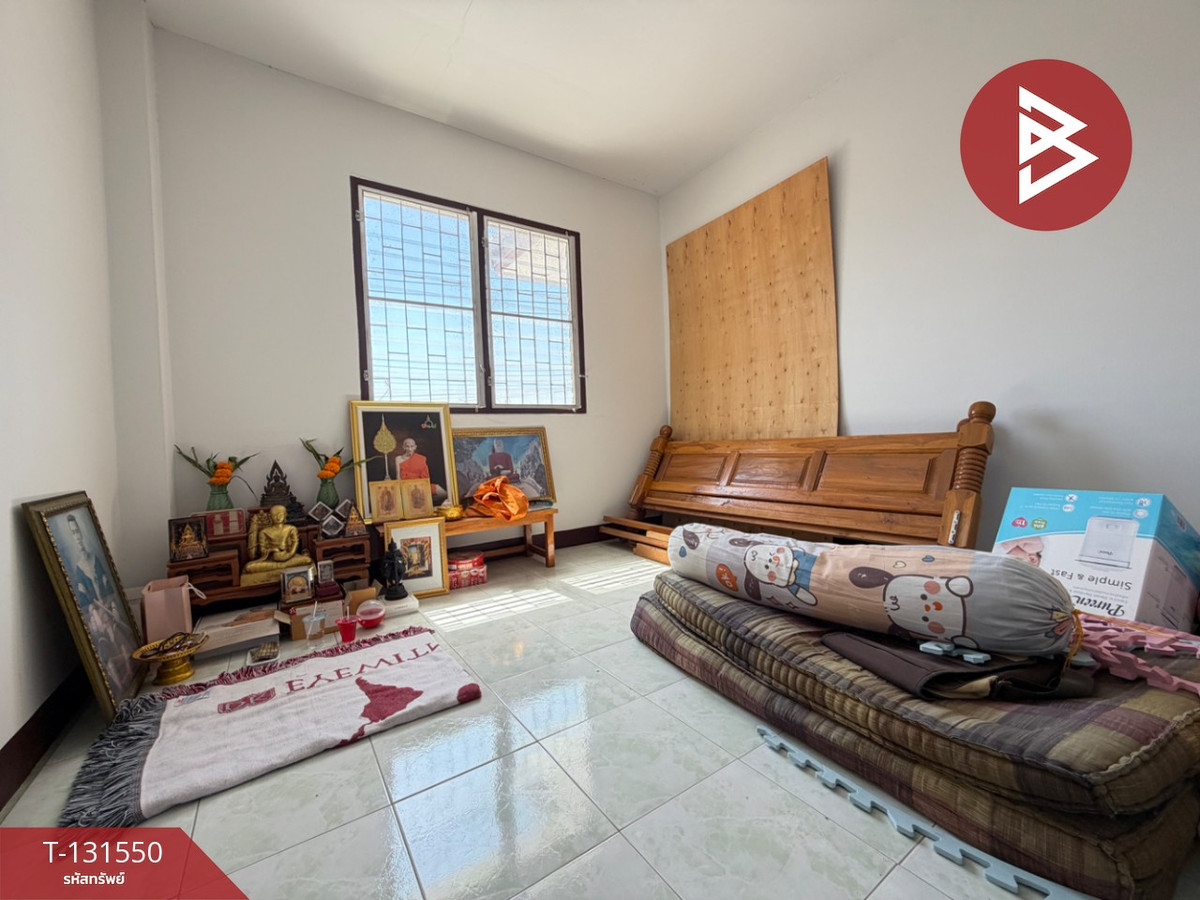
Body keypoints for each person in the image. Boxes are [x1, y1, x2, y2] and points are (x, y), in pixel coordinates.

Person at [242, 505, 313, 582]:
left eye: (280, 514)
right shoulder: (264, 532)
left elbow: (295, 542)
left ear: (285, 515)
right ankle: (283, 567)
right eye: (275, 515)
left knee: (307, 560)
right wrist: (272, 550)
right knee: (248, 567)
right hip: (272, 559)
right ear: (270, 517)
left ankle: (282, 567)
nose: (278, 517)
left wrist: (290, 554)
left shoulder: (291, 528)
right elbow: (262, 550)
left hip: (288, 556)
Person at [395, 436, 448, 504]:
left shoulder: (421, 458)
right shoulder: (398, 459)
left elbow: (425, 476)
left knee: (443, 493)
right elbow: (398, 476)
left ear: (415, 447)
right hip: (407, 486)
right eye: (407, 446)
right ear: (403, 447)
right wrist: (400, 490)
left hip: (420, 484)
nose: (410, 449)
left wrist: (422, 484)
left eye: (412, 446)